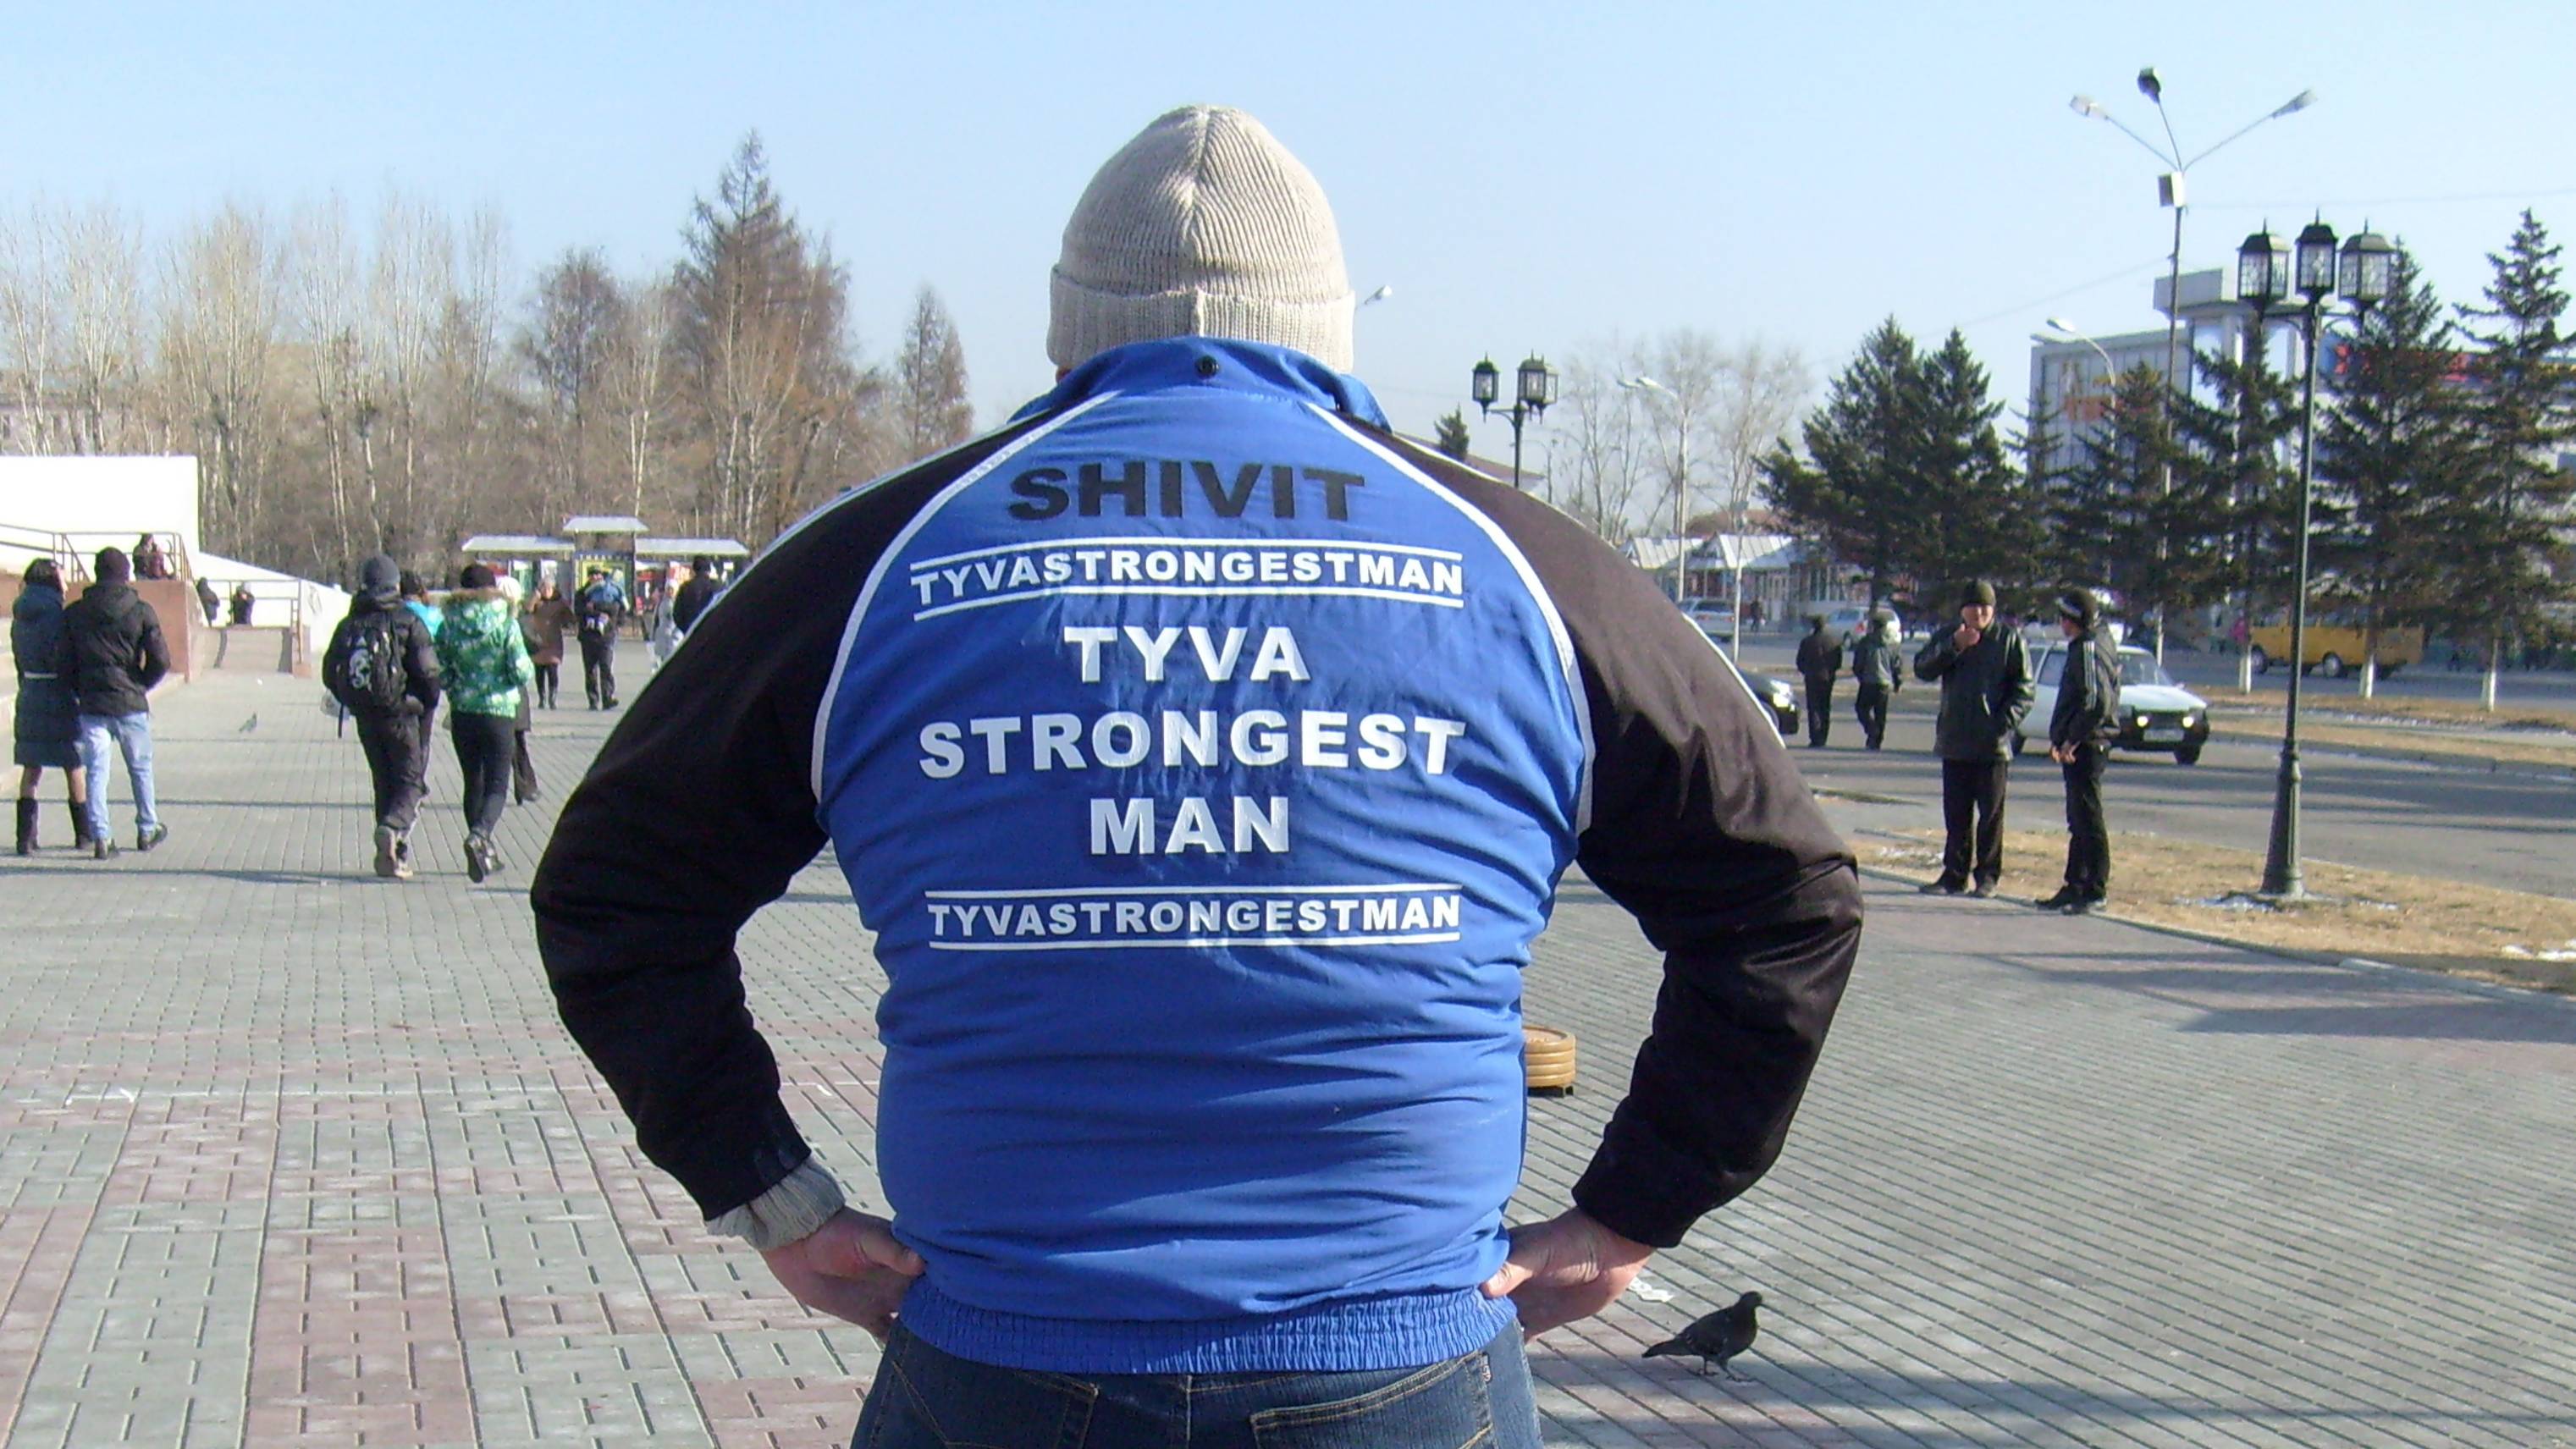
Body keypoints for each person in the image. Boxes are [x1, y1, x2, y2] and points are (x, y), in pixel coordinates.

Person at [532, 104, 1862, 1449]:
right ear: (1327, 330)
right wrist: (1636, 1205)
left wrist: (766, 1189)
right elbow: (1781, 896)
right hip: (1400, 1364)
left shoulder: (877, 561)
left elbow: (616, 888)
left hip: (1001, 1361)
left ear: (1067, 330)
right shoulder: (1526, 570)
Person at [322, 554, 441, 879]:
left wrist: (352, 701)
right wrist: (422, 702)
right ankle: (392, 829)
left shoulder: (350, 624)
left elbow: (329, 672)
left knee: (384, 782)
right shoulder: (407, 620)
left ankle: (392, 856)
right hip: (402, 715)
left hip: (366, 717)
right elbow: (429, 672)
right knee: (411, 782)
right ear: (394, 584)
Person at [1912, 579, 2033, 898]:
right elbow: (1922, 668)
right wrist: (1954, 645)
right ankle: (1954, 875)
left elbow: (2025, 690)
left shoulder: (2009, 640)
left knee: (1990, 816)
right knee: (1957, 815)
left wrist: (2002, 724)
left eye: (1985, 607)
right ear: (1962, 610)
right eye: (1973, 607)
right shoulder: (1950, 636)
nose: (1979, 613)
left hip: (1993, 745)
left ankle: (1988, 876)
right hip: (1955, 740)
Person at [57, 547, 169, 858]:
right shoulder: (141, 611)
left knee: (96, 770)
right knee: (140, 768)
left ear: (97, 573)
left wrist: (79, 689)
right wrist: (142, 683)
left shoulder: (75, 613)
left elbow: (63, 661)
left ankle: (102, 837)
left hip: (93, 703)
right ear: (125, 574)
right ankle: (147, 828)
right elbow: (161, 659)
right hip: (130, 701)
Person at [435, 563, 534, 883]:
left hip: (463, 712)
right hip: (498, 712)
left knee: (472, 781)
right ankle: (479, 836)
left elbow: (441, 671)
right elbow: (521, 671)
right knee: (497, 784)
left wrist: (458, 686)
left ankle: (483, 853)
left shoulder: (448, 624)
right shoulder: (505, 621)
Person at [2038, 588, 2121, 915]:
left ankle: (2095, 889)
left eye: (2065, 618)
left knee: (2088, 817)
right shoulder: (2093, 643)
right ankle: (2074, 884)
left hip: (2088, 744)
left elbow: (2094, 701)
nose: (2062, 624)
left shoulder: (2088, 647)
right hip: (2081, 741)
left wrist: (2072, 739)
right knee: (2077, 818)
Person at [13, 558, 92, 855]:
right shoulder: (59, 616)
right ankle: (84, 833)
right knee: (73, 762)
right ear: (51, 580)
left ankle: (25, 837)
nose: (67, 584)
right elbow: (65, 656)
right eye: (63, 577)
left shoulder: (21, 614)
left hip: (30, 691)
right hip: (59, 693)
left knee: (31, 765)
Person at [497, 575, 542, 805]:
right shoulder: (517, 620)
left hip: (482, 693)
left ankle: (493, 791)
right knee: (516, 741)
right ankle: (524, 786)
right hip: (511, 689)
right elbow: (535, 643)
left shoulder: (488, 617)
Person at [1850, 609, 1902, 751]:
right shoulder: (1892, 644)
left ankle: (1872, 730)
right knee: (1881, 713)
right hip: (1885, 683)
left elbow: (1858, 663)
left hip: (1868, 681)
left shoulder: (1866, 642)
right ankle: (1877, 740)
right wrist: (1897, 682)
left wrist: (1860, 675)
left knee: (1861, 708)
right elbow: (1896, 665)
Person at [575, 567, 626, 709]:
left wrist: (596, 607)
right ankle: (593, 700)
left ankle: (607, 697)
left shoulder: (610, 590)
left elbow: (616, 608)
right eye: (592, 575)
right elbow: (579, 610)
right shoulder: (582, 593)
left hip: (606, 637)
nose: (595, 577)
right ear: (588, 577)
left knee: (606, 667)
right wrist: (599, 612)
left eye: (598, 575)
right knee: (590, 670)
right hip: (588, 637)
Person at [1794, 614, 1844, 747]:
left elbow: (1799, 661)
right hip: (1827, 678)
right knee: (1825, 707)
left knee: (1813, 707)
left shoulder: (1807, 642)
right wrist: (1830, 671)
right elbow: (1838, 662)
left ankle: (1815, 737)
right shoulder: (1833, 642)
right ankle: (1823, 735)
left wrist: (1806, 670)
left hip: (1811, 677)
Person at [523, 580, 573, 709]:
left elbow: (570, 618)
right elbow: (527, 610)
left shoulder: (560, 603)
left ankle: (552, 697)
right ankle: (542, 697)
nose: (546, 591)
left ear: (554, 589)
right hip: (537, 640)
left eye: (549, 588)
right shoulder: (536, 601)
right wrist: (534, 598)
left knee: (552, 670)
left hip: (554, 642)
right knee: (539, 671)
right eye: (544, 588)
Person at [670, 554, 723, 637]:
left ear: (694, 569)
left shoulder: (686, 587)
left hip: (692, 632)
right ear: (709, 569)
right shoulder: (717, 587)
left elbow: (677, 614)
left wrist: (687, 630)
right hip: (713, 633)